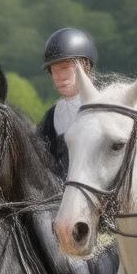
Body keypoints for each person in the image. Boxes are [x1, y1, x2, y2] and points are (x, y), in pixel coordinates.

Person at [37, 27, 97, 177]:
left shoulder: (107, 108)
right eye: (53, 70)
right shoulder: (51, 117)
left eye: (64, 68)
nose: (59, 77)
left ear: (85, 66)